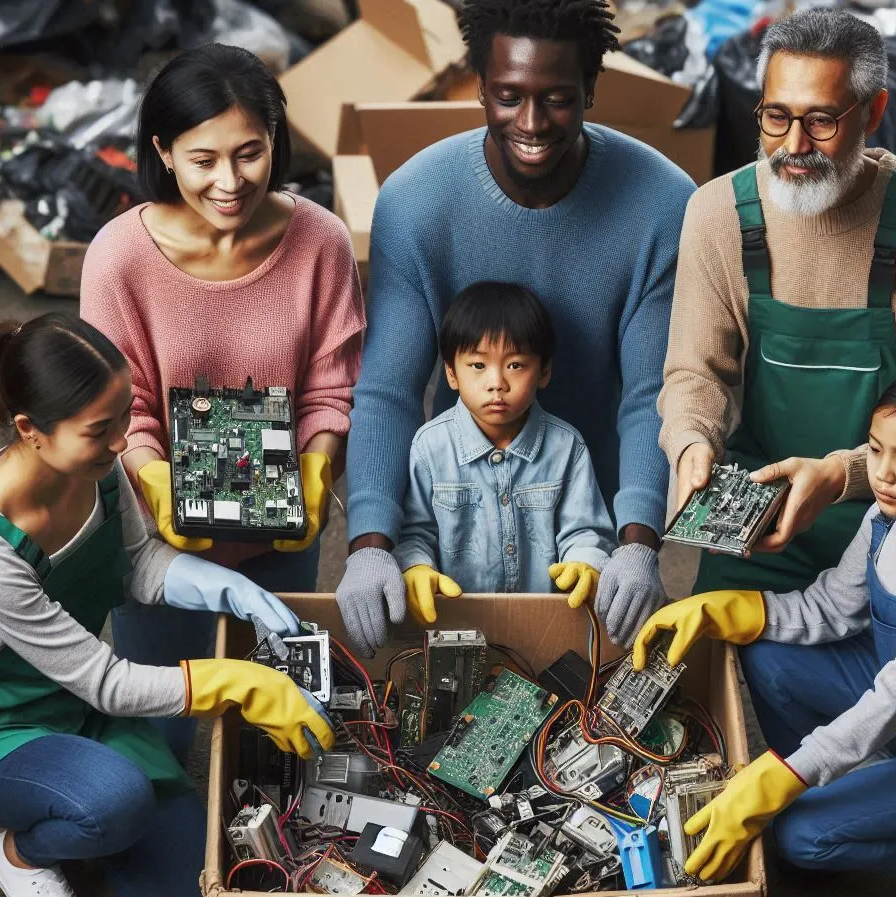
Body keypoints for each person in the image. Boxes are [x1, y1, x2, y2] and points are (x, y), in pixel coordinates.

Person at [0, 313, 333, 897]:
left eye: (122, 420)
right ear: (31, 430)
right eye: (100, 431)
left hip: (76, 701)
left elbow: (141, 563)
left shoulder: (95, 471)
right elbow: (104, 679)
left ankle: (85, 809)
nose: (121, 446)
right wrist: (236, 683)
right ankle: (22, 853)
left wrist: (233, 588)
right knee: (115, 802)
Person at [336, 0, 696, 657]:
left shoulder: (663, 203)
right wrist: (369, 542)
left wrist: (640, 543)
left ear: (591, 88)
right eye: (508, 96)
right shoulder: (416, 202)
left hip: (600, 522)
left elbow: (653, 394)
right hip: (456, 505)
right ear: (479, 87)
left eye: (558, 98)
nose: (531, 123)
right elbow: (387, 390)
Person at [637, 364, 896, 897]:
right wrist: (729, 610)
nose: (882, 474)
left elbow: (893, 701)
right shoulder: (883, 519)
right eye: (875, 450)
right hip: (893, 702)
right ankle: (863, 782)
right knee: (768, 656)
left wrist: (775, 782)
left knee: (800, 838)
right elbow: (830, 609)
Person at [80, 43, 364, 752]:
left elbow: (332, 387)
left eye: (250, 153)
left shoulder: (320, 241)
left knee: (281, 730)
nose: (230, 181)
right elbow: (126, 403)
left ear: (277, 142)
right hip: (159, 539)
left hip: (282, 529)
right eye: (203, 160)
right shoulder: (119, 256)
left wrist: (316, 470)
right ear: (164, 153)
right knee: (164, 716)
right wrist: (155, 481)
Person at [658, 7, 896, 594]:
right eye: (776, 117)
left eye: (821, 122)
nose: (793, 145)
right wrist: (690, 442)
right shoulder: (717, 214)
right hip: (756, 520)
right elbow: (695, 370)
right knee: (714, 667)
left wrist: (842, 474)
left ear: (874, 112)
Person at [382, 282, 616, 629]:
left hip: (545, 623)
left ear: (544, 371)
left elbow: (585, 531)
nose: (496, 383)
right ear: (451, 373)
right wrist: (416, 565)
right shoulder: (430, 446)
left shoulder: (567, 447)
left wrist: (587, 562)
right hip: (453, 624)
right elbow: (415, 533)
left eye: (516, 365)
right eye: (477, 365)